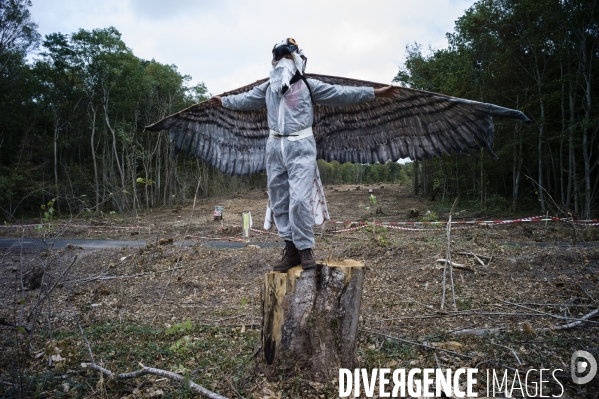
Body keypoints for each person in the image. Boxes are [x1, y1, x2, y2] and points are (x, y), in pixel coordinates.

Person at [209, 38, 397, 272]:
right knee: (279, 201)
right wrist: (225, 101)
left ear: (296, 59)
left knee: (299, 200)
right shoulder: (268, 88)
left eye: (287, 56)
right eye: (279, 57)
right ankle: (291, 251)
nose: (283, 61)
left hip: (301, 146)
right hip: (275, 147)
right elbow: (245, 100)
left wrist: (374, 93)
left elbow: (341, 94)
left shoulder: (309, 86)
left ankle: (305, 249)